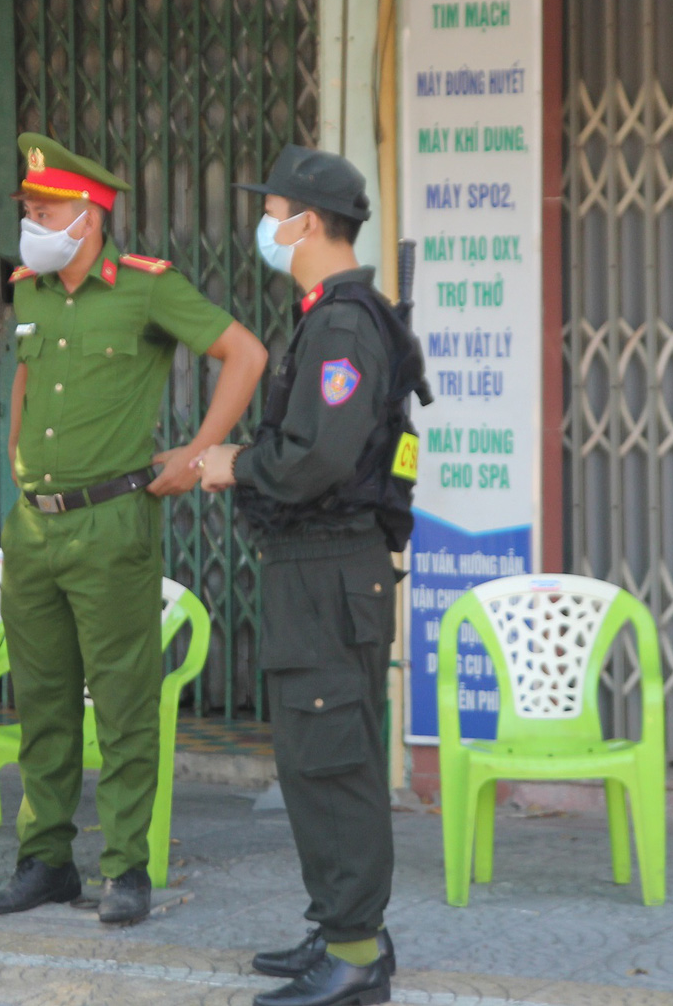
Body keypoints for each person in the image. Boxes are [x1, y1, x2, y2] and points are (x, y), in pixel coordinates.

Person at [0, 133, 268, 927]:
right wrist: (19, 451)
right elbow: (28, 375)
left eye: (48, 208)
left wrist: (200, 453)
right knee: (39, 700)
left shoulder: (145, 290)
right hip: (35, 527)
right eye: (29, 208)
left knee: (126, 703)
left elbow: (244, 353)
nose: (33, 219)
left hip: (113, 523)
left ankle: (128, 867)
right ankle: (46, 860)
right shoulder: (28, 289)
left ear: (90, 217)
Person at [199, 145, 428, 1006]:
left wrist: (236, 465)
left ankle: (357, 953)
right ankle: (340, 925)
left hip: (331, 568)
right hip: (319, 570)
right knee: (313, 753)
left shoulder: (341, 324)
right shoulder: (329, 315)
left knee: (332, 759)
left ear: (312, 222)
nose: (269, 223)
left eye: (277, 209)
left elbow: (319, 456)